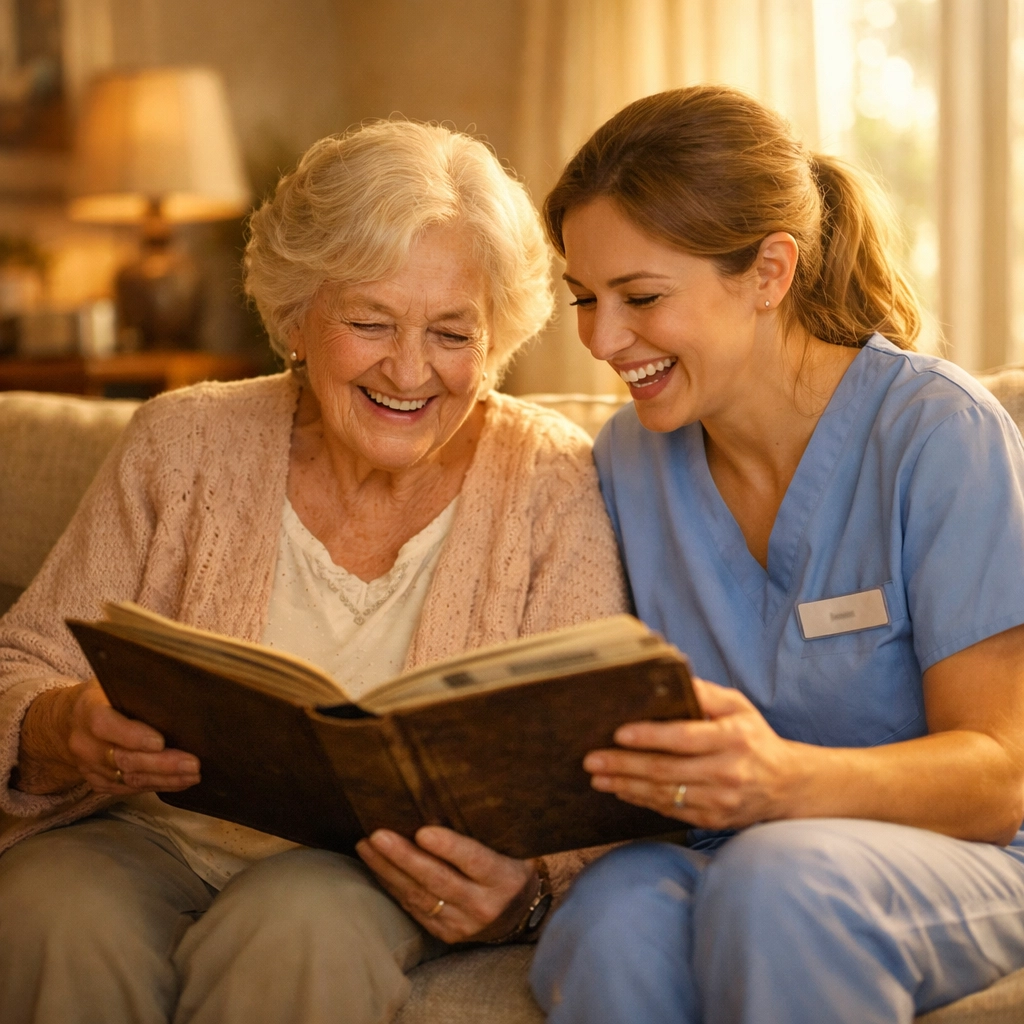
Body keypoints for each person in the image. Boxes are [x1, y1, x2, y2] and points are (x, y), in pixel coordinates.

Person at [0, 120, 627, 1024]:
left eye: (452, 333)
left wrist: (527, 889)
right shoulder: (184, 442)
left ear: (496, 342)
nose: (410, 370)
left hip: (369, 873)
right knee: (45, 909)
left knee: (295, 924)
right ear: (296, 316)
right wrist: (66, 724)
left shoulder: (549, 481)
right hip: (151, 836)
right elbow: (22, 662)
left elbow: (589, 766)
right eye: (370, 322)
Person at [527, 85, 1024, 1024]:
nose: (600, 339)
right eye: (585, 299)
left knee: (783, 877)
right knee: (611, 916)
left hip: (962, 852)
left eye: (640, 297)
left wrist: (785, 782)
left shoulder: (938, 435)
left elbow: (1001, 777)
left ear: (768, 271)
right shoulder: (629, 459)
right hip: (726, 846)